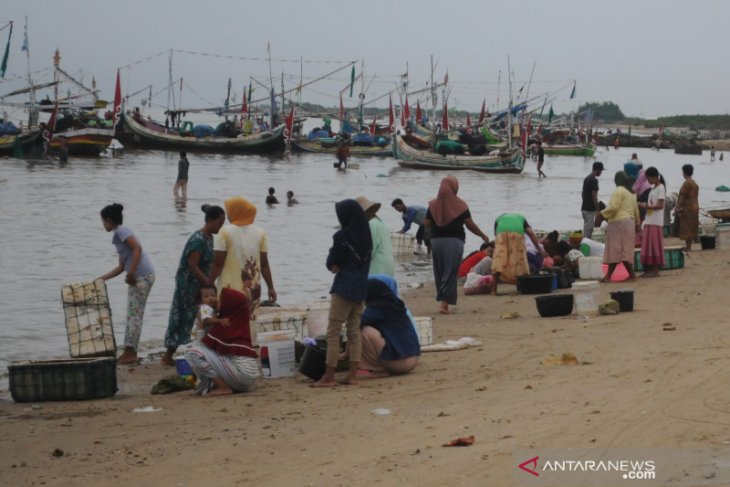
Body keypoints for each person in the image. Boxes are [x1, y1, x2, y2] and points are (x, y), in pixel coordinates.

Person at [313, 199, 372, 387]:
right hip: (361, 287)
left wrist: (335, 264)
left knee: (333, 331)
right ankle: (353, 375)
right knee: (354, 330)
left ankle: (329, 375)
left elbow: (332, 261)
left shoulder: (342, 236)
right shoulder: (366, 236)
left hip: (344, 287)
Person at [161, 204, 226, 366]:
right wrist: (208, 283)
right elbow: (192, 264)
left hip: (199, 286)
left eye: (223, 223)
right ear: (210, 220)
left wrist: (208, 283)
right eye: (219, 222)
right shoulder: (197, 239)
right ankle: (168, 355)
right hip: (187, 285)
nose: (221, 226)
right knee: (180, 317)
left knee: (195, 318)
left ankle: (197, 351)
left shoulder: (209, 237)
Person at [98, 203, 155, 364]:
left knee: (134, 315)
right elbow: (121, 267)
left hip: (142, 276)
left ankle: (130, 353)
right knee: (133, 313)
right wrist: (101, 279)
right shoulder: (118, 237)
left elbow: (137, 249)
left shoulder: (122, 231)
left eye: (102, 221)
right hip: (139, 276)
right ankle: (129, 351)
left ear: (108, 220)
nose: (103, 225)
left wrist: (131, 273)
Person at [424, 176, 490, 314]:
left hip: (436, 242)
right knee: (451, 270)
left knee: (440, 271)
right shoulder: (460, 205)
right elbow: (469, 224)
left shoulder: (433, 205)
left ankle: (442, 298)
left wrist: (438, 218)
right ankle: (444, 303)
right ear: (455, 188)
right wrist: (482, 235)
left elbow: (427, 223)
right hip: (454, 241)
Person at [184, 287, 260, 396]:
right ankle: (220, 384)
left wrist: (200, 325)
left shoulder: (225, 324)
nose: (215, 300)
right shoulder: (237, 321)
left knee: (192, 352)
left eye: (220, 299)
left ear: (229, 305)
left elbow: (200, 347)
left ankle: (223, 387)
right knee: (199, 353)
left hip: (241, 377)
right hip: (249, 381)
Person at [209, 197, 276, 318]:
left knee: (228, 322)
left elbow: (218, 263)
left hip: (229, 291)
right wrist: (271, 287)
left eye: (229, 212)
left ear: (235, 212)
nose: (228, 215)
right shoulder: (261, 233)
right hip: (252, 290)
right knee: (248, 322)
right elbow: (264, 264)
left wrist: (209, 283)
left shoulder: (224, 232)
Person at [356, 278, 420, 379]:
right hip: (414, 358)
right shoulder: (394, 304)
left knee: (364, 331)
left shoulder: (377, 307)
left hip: (401, 363)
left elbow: (357, 323)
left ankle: (376, 369)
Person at [491, 213, 546, 294]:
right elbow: (530, 233)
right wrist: (539, 249)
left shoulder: (498, 218)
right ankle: (521, 286)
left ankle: (494, 290)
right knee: (519, 260)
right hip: (517, 233)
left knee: (499, 260)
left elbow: (496, 234)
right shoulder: (522, 218)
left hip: (501, 233)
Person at [600, 171, 640, 282]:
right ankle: (631, 275)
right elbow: (636, 211)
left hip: (619, 222)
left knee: (615, 250)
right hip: (630, 223)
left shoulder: (618, 191)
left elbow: (613, 207)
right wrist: (637, 224)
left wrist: (602, 214)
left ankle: (608, 276)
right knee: (625, 251)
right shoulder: (632, 193)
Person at [356, 196, 395, 276]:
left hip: (377, 269)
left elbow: (369, 250)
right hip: (388, 266)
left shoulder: (371, 225)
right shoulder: (381, 223)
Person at [638, 167, 665, 277]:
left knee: (654, 245)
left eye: (649, 178)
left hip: (656, 221)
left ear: (654, 177)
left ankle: (655, 270)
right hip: (649, 220)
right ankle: (650, 269)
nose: (648, 181)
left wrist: (645, 206)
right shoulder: (653, 189)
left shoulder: (661, 188)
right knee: (648, 245)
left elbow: (660, 205)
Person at [675, 164, 700, 253]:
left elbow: (682, 196)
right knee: (692, 226)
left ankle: (688, 247)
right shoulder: (694, 183)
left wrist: (677, 208)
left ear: (684, 172)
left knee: (686, 227)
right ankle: (689, 246)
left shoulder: (686, 183)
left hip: (688, 208)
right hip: (695, 207)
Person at [581, 161, 605, 239]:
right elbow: (594, 196)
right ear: (597, 170)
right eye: (601, 170)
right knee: (589, 231)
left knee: (586, 228)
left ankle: (585, 242)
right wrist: (598, 210)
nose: (601, 172)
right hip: (590, 210)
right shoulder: (594, 180)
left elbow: (583, 194)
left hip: (584, 208)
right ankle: (585, 245)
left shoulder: (587, 178)